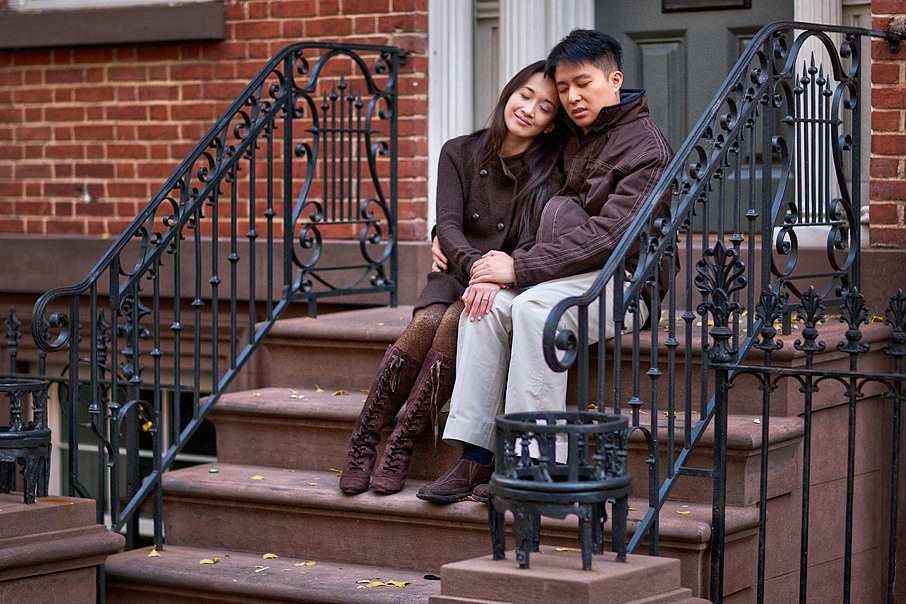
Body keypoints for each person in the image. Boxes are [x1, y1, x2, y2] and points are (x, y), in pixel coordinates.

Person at [417, 29, 674, 504]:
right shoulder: (570, 138)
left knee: (535, 311)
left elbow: (610, 237)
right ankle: (476, 455)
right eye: (564, 88)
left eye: (584, 83)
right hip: (556, 274)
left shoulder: (647, 150)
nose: (572, 97)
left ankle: (533, 463)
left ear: (614, 80)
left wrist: (519, 268)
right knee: (484, 308)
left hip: (623, 281)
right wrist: (466, 249)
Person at [338, 61, 566, 495]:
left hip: (502, 279)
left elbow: (531, 241)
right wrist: (476, 268)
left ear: (551, 124)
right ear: (509, 93)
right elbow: (448, 224)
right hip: (460, 269)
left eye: (544, 108)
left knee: (454, 322)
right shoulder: (458, 151)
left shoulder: (548, 173)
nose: (528, 109)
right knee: (427, 319)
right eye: (525, 95)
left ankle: (402, 443)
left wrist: (496, 275)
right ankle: (364, 441)